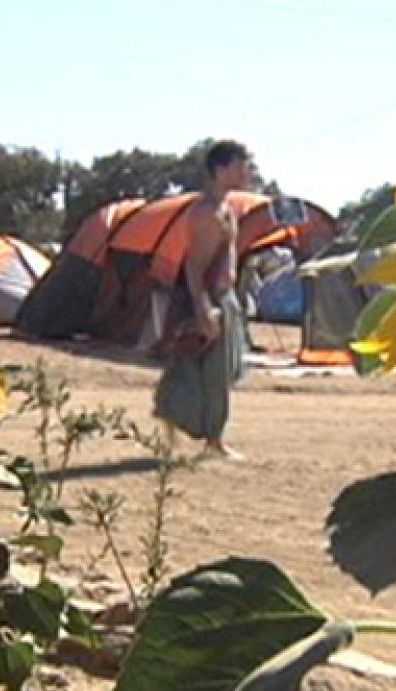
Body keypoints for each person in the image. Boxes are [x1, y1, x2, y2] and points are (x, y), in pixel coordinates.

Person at [153, 140, 252, 460]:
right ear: (220, 170)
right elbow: (195, 266)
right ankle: (213, 439)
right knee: (211, 372)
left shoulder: (227, 208)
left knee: (221, 370)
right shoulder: (206, 213)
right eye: (239, 165)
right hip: (210, 299)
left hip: (225, 296)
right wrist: (203, 307)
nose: (246, 171)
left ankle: (197, 428)